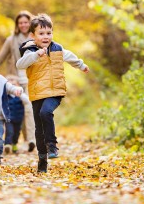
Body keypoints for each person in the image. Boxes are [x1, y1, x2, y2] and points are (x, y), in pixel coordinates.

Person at [16, 13, 90, 173]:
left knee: (46, 112)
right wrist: (36, 55)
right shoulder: (30, 51)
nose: (45, 36)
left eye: (49, 33)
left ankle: (52, 146)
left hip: (55, 91)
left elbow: (70, 57)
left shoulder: (57, 49)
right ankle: (42, 158)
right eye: (41, 34)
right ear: (32, 36)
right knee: (38, 128)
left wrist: (81, 65)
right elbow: (20, 65)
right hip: (37, 93)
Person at [0, 11, 36, 152]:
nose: (23, 25)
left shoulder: (36, 39)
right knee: (14, 112)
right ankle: (13, 141)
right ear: (17, 25)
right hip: (14, 80)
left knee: (30, 109)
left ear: (30, 23)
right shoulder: (11, 40)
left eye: (26, 22)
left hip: (31, 79)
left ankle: (31, 140)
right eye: (21, 23)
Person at [3, 75, 26, 154]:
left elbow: (27, 103)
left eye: (14, 84)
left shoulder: (21, 97)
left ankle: (14, 144)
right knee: (9, 131)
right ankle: (7, 145)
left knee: (17, 132)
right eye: (10, 84)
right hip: (8, 118)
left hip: (19, 118)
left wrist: (21, 94)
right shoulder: (5, 96)